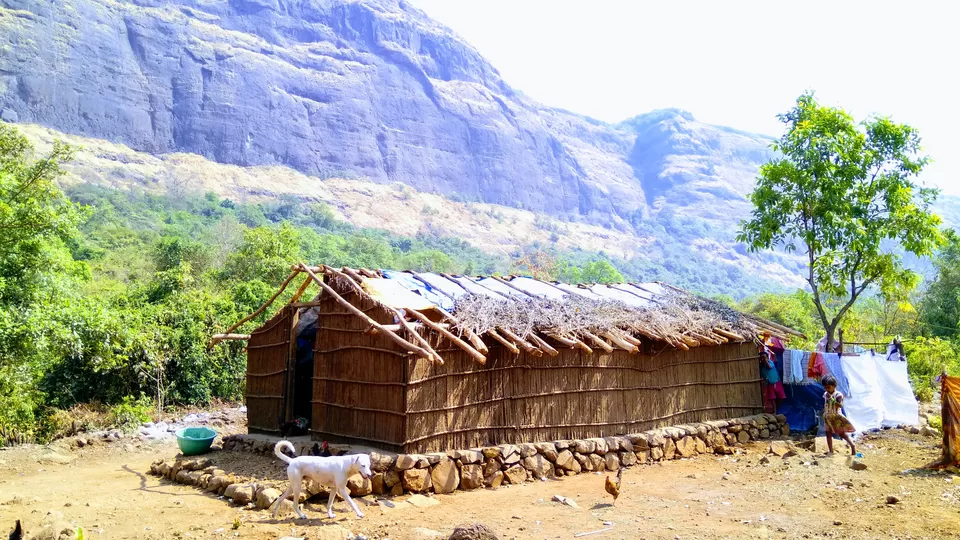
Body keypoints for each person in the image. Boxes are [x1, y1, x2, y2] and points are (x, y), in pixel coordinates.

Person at [822, 374, 857, 456]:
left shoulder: (838, 395)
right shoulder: (825, 394)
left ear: (834, 386)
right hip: (828, 417)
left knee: (841, 434)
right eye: (825, 388)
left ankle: (852, 445)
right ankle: (831, 451)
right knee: (828, 433)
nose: (827, 389)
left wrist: (832, 400)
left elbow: (840, 405)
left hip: (836, 417)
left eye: (828, 387)